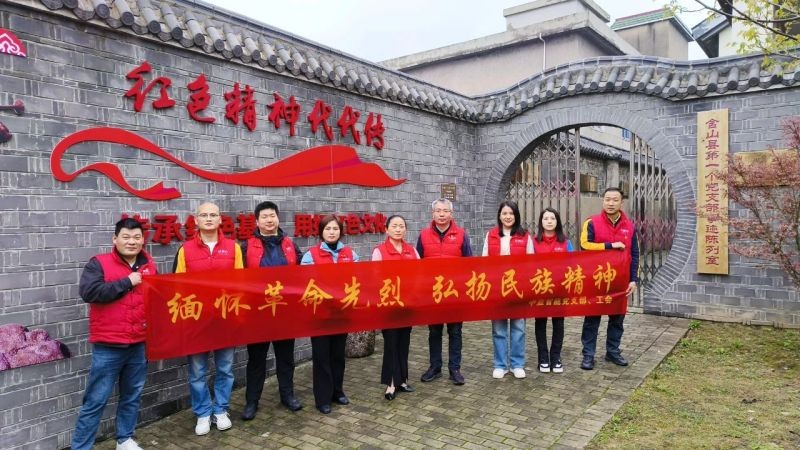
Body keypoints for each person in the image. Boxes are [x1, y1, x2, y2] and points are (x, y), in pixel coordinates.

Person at [72, 218, 156, 450]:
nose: (132, 242)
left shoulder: (149, 265)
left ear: (143, 240)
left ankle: (124, 439)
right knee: (95, 400)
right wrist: (127, 282)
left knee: (132, 395)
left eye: (137, 237)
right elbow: (90, 292)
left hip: (139, 343)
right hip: (108, 346)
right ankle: (81, 447)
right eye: (126, 237)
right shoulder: (98, 263)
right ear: (115, 239)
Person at [172, 202, 243, 436]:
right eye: (204, 215)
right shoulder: (185, 250)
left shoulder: (234, 248)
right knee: (197, 372)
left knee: (225, 369)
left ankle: (221, 409)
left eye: (213, 215)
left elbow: (241, 284)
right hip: (196, 321)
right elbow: (179, 286)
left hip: (225, 319)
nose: (209, 218)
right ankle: (203, 412)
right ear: (196, 220)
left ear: (221, 219)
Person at [240, 201, 304, 420]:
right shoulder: (246, 247)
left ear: (278, 218)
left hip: (285, 312)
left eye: (272, 215)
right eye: (264, 216)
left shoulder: (290, 244)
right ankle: (252, 401)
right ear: (257, 221)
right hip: (258, 313)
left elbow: (304, 273)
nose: (269, 220)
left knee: (285, 358)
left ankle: (287, 395)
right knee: (256, 360)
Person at [300, 215, 358, 414]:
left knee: (338, 355)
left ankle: (337, 392)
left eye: (335, 229)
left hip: (341, 313)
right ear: (321, 232)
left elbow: (357, 280)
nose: (332, 232)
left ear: (340, 231)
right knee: (321, 356)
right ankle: (322, 398)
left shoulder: (350, 254)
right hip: (320, 315)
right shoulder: (310, 256)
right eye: (328, 229)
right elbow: (305, 285)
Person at [579, 187, 639, 370]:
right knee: (592, 319)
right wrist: (610, 245)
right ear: (603, 201)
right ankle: (588, 355)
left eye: (615, 200)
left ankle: (612, 352)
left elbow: (635, 254)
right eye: (607, 199)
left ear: (622, 202)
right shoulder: (592, 222)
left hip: (620, 281)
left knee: (617, 319)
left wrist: (633, 279)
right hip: (596, 280)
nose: (610, 203)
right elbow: (584, 245)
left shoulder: (630, 227)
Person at [416, 198, 473, 385]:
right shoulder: (423, 235)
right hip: (433, 293)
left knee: (455, 332)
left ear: (451, 213)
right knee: (434, 332)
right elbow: (417, 265)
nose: (441, 214)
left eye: (445, 211)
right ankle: (435, 367)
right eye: (438, 211)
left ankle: (454, 369)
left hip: (455, 293)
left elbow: (469, 264)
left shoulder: (462, 235)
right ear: (432, 214)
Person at [482, 201, 533, 379]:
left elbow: (532, 263)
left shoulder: (525, 236)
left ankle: (517, 364)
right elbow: (484, 262)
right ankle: (500, 365)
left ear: (516, 215)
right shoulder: (491, 235)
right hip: (497, 289)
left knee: (519, 328)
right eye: (504, 213)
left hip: (518, 288)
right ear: (499, 216)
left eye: (511, 213)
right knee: (499, 329)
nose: (508, 216)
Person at [372, 215, 420, 400]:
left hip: (407, 305)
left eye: (401, 226)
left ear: (405, 229)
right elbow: (376, 279)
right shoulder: (379, 251)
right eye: (394, 226)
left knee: (403, 342)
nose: (398, 229)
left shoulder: (412, 251)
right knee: (391, 343)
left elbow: (419, 275)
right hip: (389, 306)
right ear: (386, 229)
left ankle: (402, 380)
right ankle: (391, 383)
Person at [532, 207, 574, 374]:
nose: (549, 221)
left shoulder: (566, 242)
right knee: (540, 323)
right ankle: (543, 358)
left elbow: (572, 265)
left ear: (557, 221)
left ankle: (556, 357)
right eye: (546, 218)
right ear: (541, 222)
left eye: (552, 218)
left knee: (558, 323)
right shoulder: (533, 242)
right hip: (540, 289)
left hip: (559, 290)